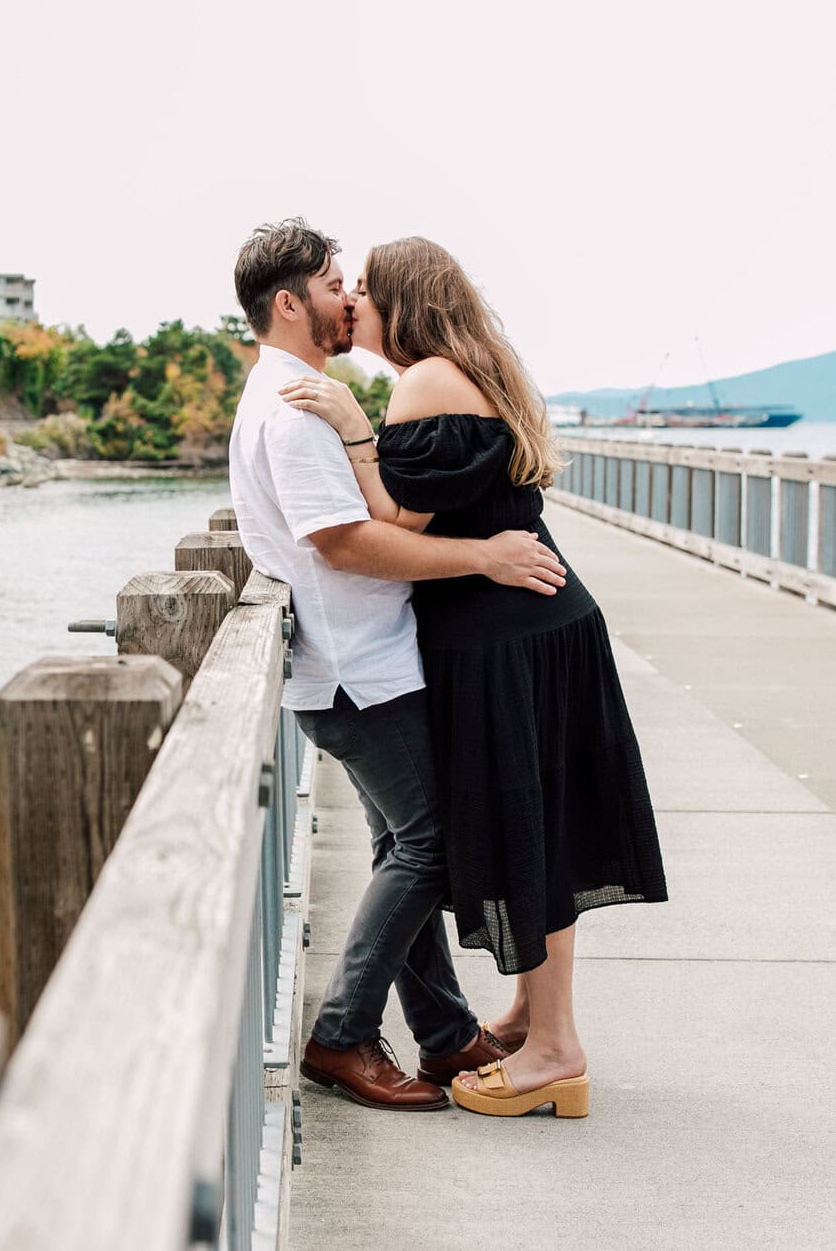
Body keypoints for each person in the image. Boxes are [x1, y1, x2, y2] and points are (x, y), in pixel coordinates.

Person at [280, 236, 669, 1119]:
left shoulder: (422, 382)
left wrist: (349, 426)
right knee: (539, 820)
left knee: (529, 825)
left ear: (403, 301)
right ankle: (536, 1021)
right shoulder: (470, 367)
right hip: (533, 628)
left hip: (504, 637)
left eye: (365, 291)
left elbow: (396, 516)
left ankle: (557, 1047)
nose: (352, 306)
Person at [226, 219, 569, 1112]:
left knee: (401, 845)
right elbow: (345, 543)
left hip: (355, 662)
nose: (350, 297)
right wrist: (485, 558)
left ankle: (448, 1036)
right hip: (357, 667)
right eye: (337, 284)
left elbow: (375, 513)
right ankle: (341, 1035)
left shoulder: (292, 392)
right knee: (430, 845)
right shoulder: (298, 406)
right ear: (292, 303)